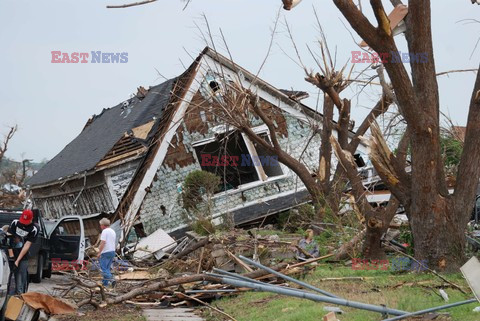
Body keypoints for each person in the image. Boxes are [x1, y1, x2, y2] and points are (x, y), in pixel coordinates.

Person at [7, 209, 39, 294]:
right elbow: (8, 239)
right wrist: (11, 256)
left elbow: (27, 245)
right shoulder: (15, 223)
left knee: (21, 278)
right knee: (9, 277)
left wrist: (17, 260)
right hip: (11, 253)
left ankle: (20, 296)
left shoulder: (34, 229)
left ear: (31, 219)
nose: (24, 223)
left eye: (26, 221)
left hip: (23, 256)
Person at [97, 218, 116, 288]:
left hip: (105, 252)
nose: (100, 226)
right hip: (112, 251)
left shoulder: (105, 231)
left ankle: (112, 279)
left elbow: (103, 242)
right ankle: (105, 284)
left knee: (103, 269)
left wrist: (99, 252)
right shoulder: (113, 231)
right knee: (107, 269)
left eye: (100, 225)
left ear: (103, 225)